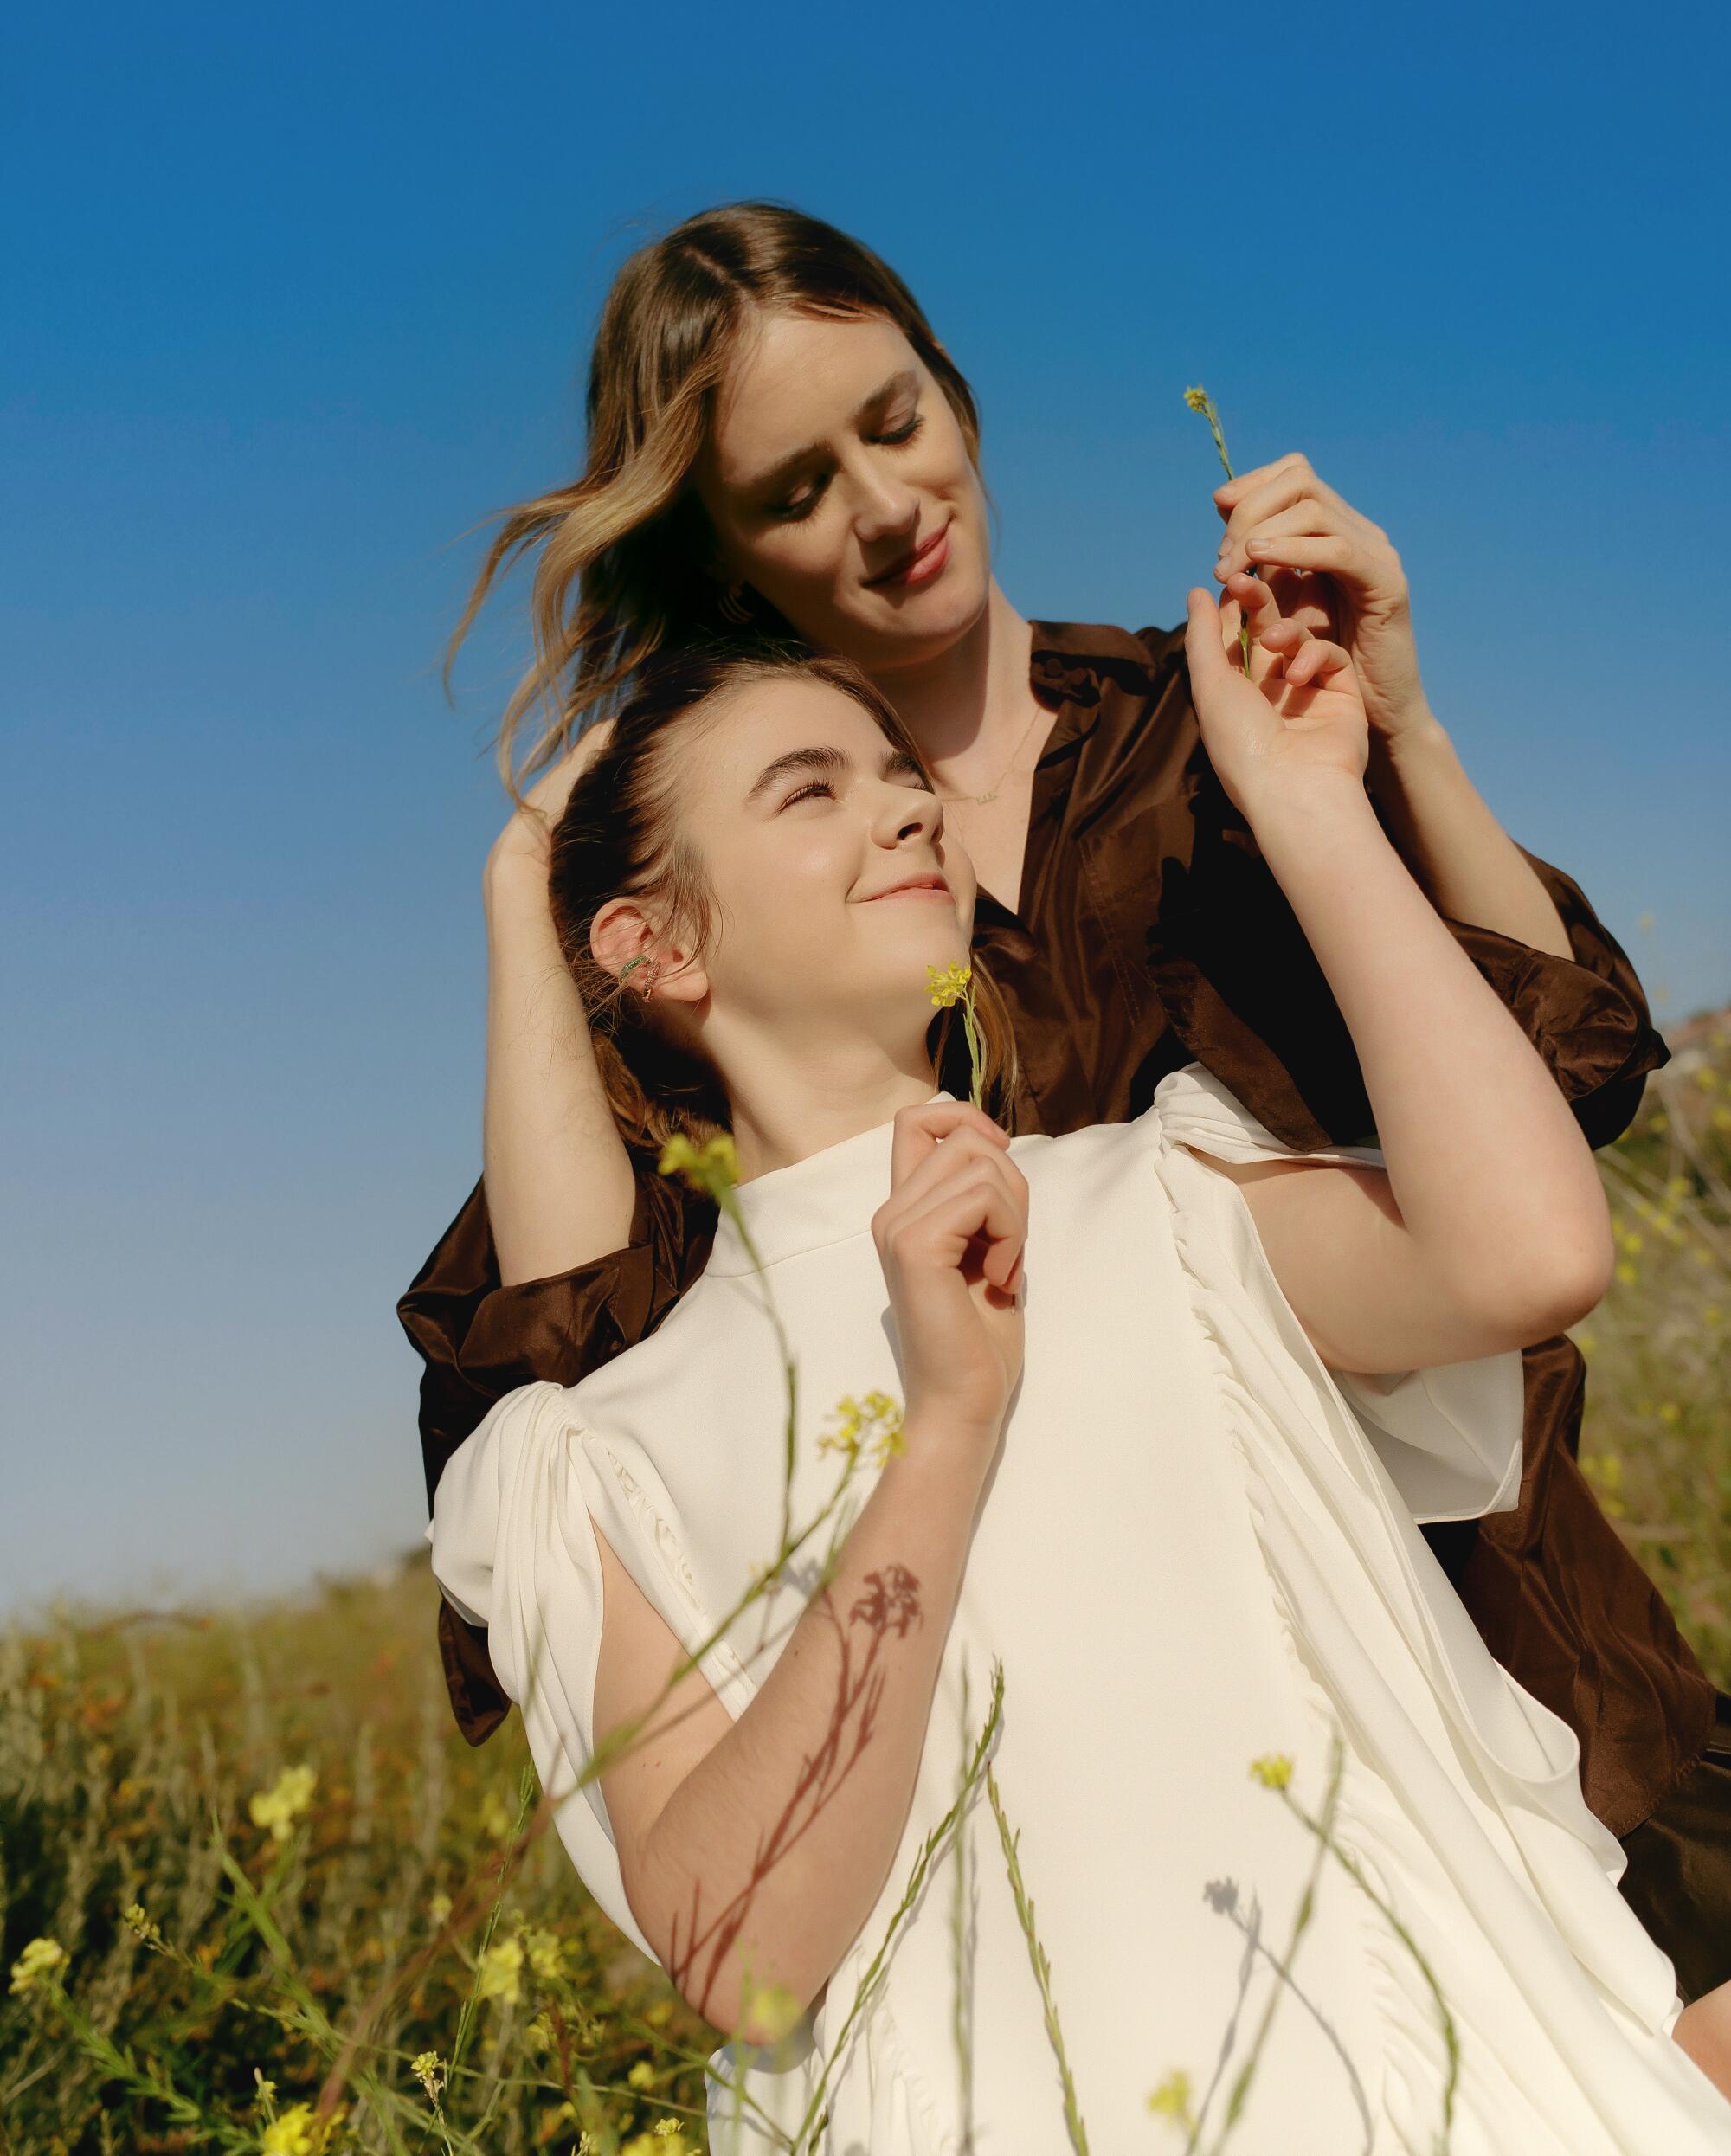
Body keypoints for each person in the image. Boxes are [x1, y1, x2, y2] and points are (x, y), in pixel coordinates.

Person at [400, 202, 1728, 1993]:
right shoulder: (769, 916)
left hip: (1510, 1637)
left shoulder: (1206, 721)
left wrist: (1399, 731)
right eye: (794, 488)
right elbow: (565, 1384)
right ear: (722, 551)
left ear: (954, 392)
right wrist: (521, 899)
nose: (881, 505)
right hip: (1115, 1775)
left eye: (892, 421)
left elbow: (1564, 1074)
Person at [428, 636, 1731, 2152]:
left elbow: (1528, 1251)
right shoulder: (596, 1450)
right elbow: (742, 1959)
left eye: (906, 778)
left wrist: (1310, 805)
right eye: (811, 789)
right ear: (652, 946)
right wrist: (946, 1431)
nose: (911, 810)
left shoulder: (1158, 1192)